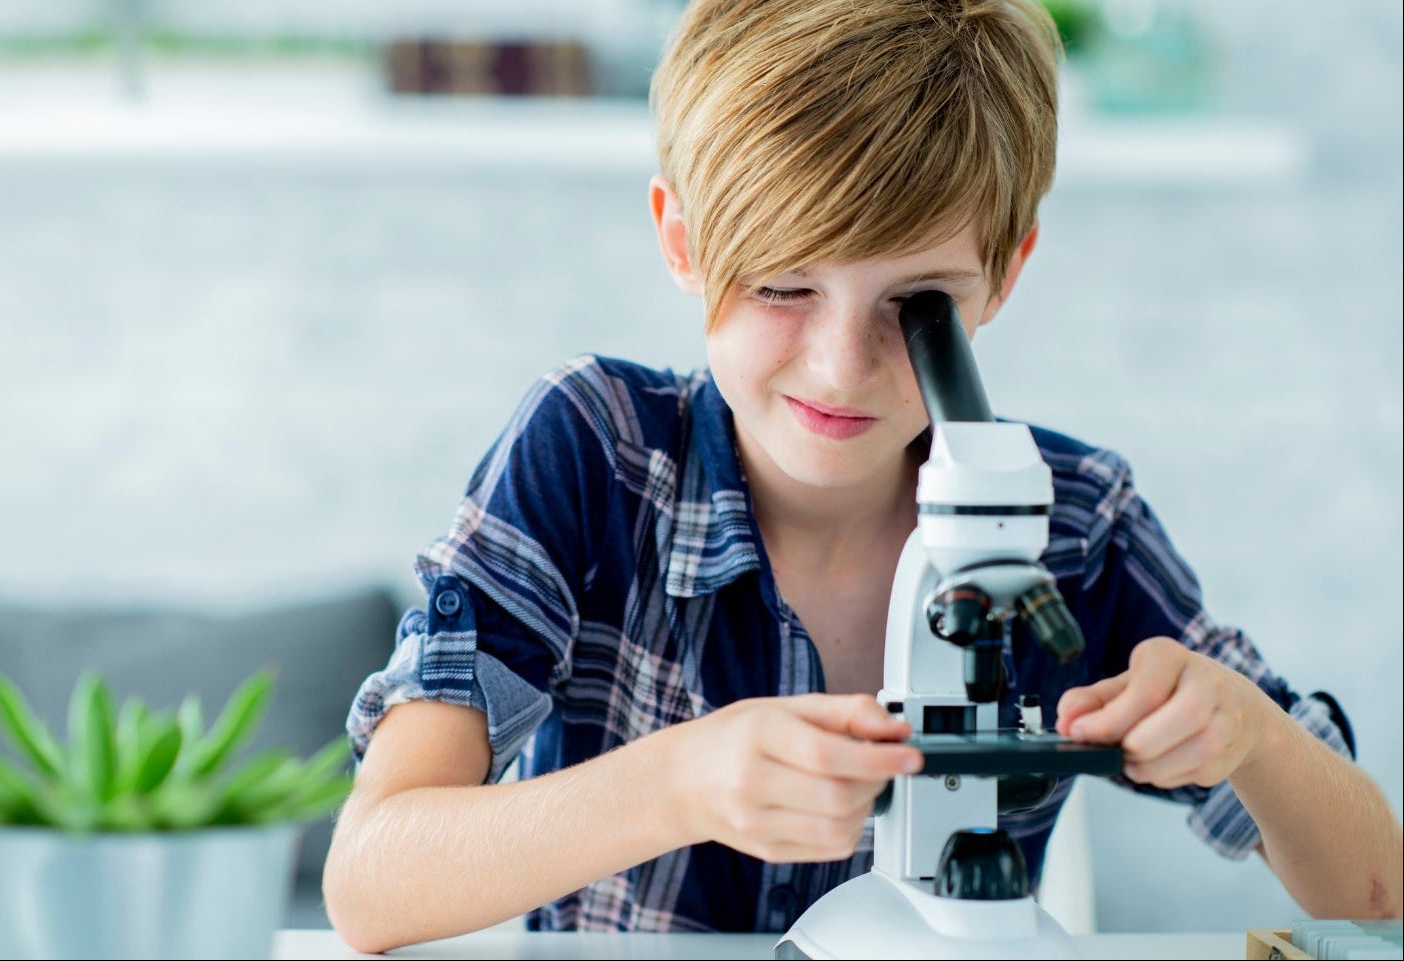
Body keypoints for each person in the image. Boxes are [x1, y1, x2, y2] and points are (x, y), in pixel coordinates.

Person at [323, 0, 1404, 950]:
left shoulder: (1066, 520)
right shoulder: (592, 453)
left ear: (1003, 274)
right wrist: (678, 782)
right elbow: (370, 882)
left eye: (913, 304)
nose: (839, 365)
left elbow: (1372, 890)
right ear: (684, 241)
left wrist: (1249, 736)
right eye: (783, 285)